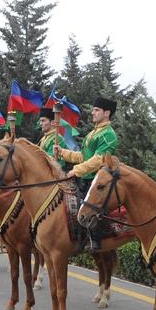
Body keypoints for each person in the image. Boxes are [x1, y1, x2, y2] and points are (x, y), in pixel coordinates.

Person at [56, 96, 119, 251]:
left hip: (98, 180)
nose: (92, 113)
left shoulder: (109, 134)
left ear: (107, 113)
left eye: (96, 110)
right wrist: (63, 152)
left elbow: (98, 160)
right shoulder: (93, 133)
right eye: (93, 110)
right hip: (85, 177)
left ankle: (95, 239)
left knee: (89, 206)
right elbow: (83, 157)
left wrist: (76, 170)